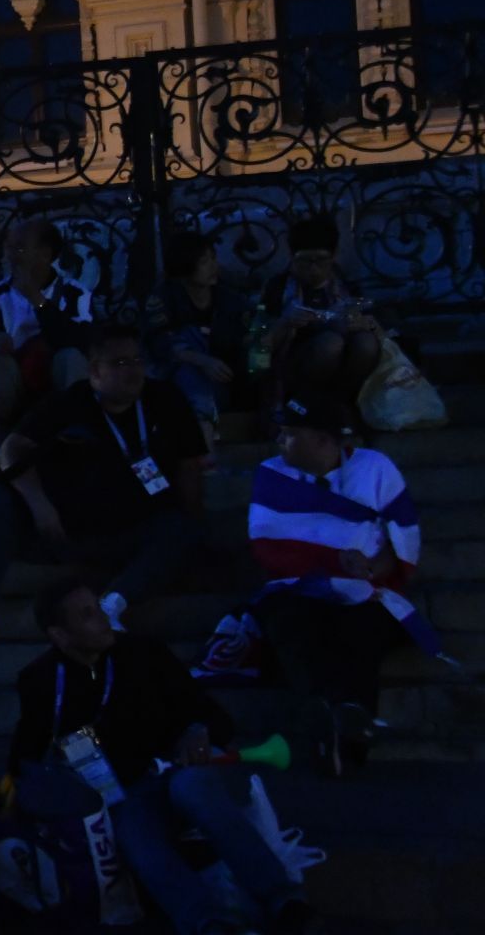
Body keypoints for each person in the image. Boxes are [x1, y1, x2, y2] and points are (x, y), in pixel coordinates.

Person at [12, 577, 315, 935]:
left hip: (179, 771)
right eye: (87, 615)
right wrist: (1, 804)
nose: (103, 618)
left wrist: (196, 732)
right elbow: (24, 756)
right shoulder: (41, 681)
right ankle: (207, 922)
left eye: (98, 607)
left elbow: (215, 718)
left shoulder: (143, 653)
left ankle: (284, 900)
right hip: (122, 794)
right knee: (135, 834)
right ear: (60, 635)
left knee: (194, 789)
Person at [0, 322, 206, 645]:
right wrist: (40, 504)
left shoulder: (166, 400)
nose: (132, 371)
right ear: (95, 371)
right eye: (119, 363)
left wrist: (194, 533)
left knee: (181, 527)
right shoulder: (72, 402)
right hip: (64, 530)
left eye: (136, 361)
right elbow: (11, 449)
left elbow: (190, 468)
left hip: (134, 531)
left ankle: (110, 608)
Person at [246, 393, 435, 775]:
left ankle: (349, 736)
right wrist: (330, 563)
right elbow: (268, 545)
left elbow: (404, 536)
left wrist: (371, 567)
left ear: (323, 440)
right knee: (289, 620)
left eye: (290, 434)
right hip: (299, 589)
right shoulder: (271, 473)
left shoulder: (375, 468)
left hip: (370, 591)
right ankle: (323, 717)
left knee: (361, 628)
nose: (281, 441)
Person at [0, 218, 93, 450]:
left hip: (55, 368)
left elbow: (79, 339)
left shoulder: (75, 293)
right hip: (15, 374)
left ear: (45, 254)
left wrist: (37, 299)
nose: (11, 255)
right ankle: (0, 452)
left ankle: (73, 444)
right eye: (11, 247)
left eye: (20, 248)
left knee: (70, 357)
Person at [260, 215, 383, 402]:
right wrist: (285, 323)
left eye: (321, 260)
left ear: (333, 256)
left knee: (366, 343)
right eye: (305, 261)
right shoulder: (278, 288)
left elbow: (376, 328)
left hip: (344, 366)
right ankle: (308, 402)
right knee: (330, 343)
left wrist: (366, 324)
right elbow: (259, 344)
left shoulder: (344, 285)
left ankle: (343, 401)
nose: (313, 269)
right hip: (296, 362)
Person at [145, 231, 249, 445]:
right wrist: (200, 359)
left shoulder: (227, 297)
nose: (213, 266)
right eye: (204, 261)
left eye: (213, 258)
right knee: (188, 341)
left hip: (219, 382)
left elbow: (247, 334)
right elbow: (158, 341)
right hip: (174, 381)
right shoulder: (164, 298)